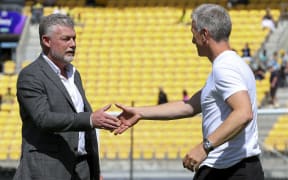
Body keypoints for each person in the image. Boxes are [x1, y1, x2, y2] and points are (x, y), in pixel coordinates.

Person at [114, 4, 264, 180]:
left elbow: (243, 113)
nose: (193, 40)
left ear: (205, 34)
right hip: (235, 167)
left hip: (230, 170)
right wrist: (140, 113)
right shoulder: (234, 64)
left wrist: (204, 147)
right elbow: (190, 106)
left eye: (193, 33)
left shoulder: (225, 67)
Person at [14, 14, 120, 180]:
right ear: (46, 41)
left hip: (82, 168)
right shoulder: (31, 76)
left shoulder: (74, 74)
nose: (73, 44)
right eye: (66, 39)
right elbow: (43, 119)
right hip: (48, 170)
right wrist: (90, 119)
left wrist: (94, 170)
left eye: (74, 39)